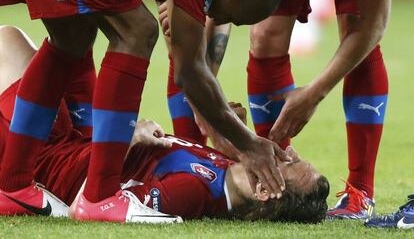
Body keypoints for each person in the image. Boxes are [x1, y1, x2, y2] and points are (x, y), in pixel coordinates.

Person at [0, 0, 287, 222]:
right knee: (137, 31)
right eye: (232, 16)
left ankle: (14, 187)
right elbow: (189, 71)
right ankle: (100, 197)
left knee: (72, 36)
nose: (218, 18)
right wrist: (248, 142)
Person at [0, 26, 329, 223]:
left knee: (8, 41)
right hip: (76, 134)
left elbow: (85, 207)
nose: (289, 153)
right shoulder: (227, 169)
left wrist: (126, 138)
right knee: (71, 33)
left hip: (46, 153)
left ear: (263, 190)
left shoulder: (188, 195)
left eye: (290, 164)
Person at [226, 0, 400, 219]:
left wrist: (314, 94)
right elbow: (213, 7)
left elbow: (374, 25)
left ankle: (360, 190)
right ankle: (273, 175)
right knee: (266, 36)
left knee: (358, 28)